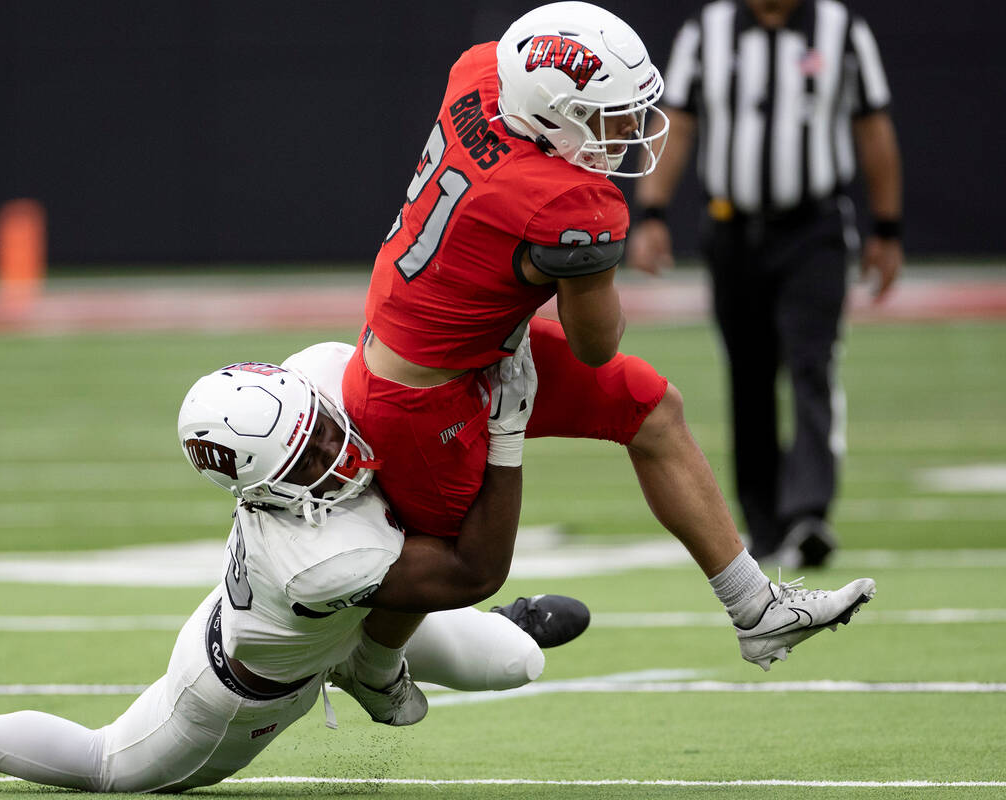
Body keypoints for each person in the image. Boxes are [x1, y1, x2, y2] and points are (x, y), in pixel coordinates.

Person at [344, 0, 875, 671]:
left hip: (451, 336)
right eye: (607, 115)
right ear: (550, 111)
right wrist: (587, 266)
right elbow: (598, 342)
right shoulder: (568, 204)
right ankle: (361, 655)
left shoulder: (483, 75)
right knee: (469, 569)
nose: (628, 129)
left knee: (651, 407)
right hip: (421, 393)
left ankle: (756, 609)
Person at [0, 342, 590, 791]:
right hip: (238, 690)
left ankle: (450, 648)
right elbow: (467, 566)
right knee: (106, 767)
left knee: (520, 664)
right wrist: (506, 428)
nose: (336, 448)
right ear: (265, 486)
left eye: (319, 429)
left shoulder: (314, 380)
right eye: (312, 455)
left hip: (350, 615)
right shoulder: (319, 559)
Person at [627, 0, 904, 566]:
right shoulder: (708, 31)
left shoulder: (840, 29)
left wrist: (887, 227)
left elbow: (872, 125)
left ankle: (808, 514)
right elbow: (676, 122)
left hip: (815, 228)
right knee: (748, 374)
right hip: (733, 230)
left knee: (811, 363)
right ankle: (764, 521)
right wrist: (652, 214)